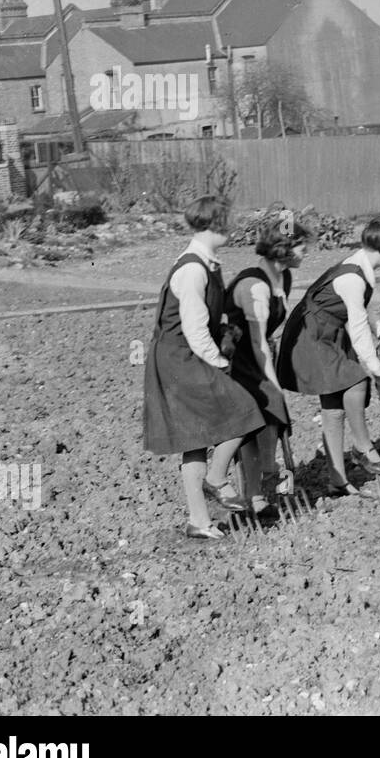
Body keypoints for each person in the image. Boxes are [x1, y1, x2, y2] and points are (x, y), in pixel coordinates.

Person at [144, 196, 265, 540]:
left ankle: (199, 521)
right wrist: (220, 362)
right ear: (216, 224)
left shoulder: (209, 263)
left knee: (195, 439)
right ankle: (216, 478)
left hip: (187, 354)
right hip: (180, 359)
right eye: (228, 220)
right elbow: (195, 330)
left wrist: (225, 329)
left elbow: (208, 318)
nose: (233, 227)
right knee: (245, 410)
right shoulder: (193, 268)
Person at [277, 216, 380, 496]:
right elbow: (357, 328)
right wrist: (377, 370)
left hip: (329, 333)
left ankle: (337, 479)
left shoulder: (359, 268)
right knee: (356, 380)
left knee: (333, 408)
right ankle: (362, 448)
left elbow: (361, 312)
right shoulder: (351, 277)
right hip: (310, 335)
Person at [224, 214, 309, 516]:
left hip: (258, 353)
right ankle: (254, 494)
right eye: (300, 246)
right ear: (283, 248)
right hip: (237, 359)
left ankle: (260, 486)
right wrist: (273, 383)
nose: (305, 252)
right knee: (259, 418)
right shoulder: (254, 285)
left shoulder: (284, 277)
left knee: (271, 421)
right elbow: (257, 342)